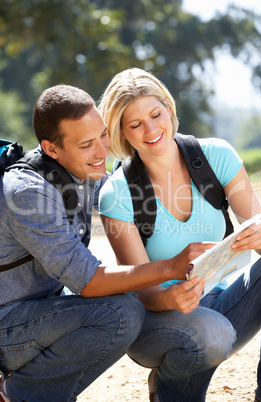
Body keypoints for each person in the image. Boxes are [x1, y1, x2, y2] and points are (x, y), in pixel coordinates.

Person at [0, 84, 220, 402]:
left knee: (122, 309)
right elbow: (89, 282)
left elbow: (132, 190)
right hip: (8, 324)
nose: (103, 152)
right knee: (118, 314)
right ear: (51, 149)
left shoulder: (85, 171)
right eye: (87, 144)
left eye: (103, 135)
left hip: (40, 313)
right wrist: (171, 267)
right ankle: (16, 394)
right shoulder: (28, 193)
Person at [98, 68, 261, 402]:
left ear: (169, 109)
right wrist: (169, 297)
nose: (151, 130)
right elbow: (142, 292)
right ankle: (167, 389)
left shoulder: (217, 156)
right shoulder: (117, 194)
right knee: (211, 333)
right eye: (135, 124)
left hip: (222, 303)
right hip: (157, 320)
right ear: (122, 132)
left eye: (155, 114)